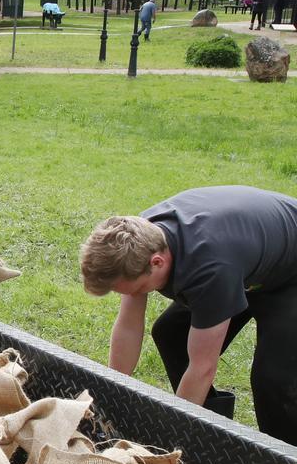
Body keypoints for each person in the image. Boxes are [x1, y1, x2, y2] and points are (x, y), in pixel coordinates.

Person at [79, 186, 297, 445]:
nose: (135, 295)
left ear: (157, 262)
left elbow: (203, 366)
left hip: (289, 272)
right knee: (171, 334)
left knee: (273, 377)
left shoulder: (209, 270)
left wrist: (172, 439)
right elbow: (128, 326)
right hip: (246, 258)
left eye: (137, 289)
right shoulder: (136, 241)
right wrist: (110, 394)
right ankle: (208, 433)